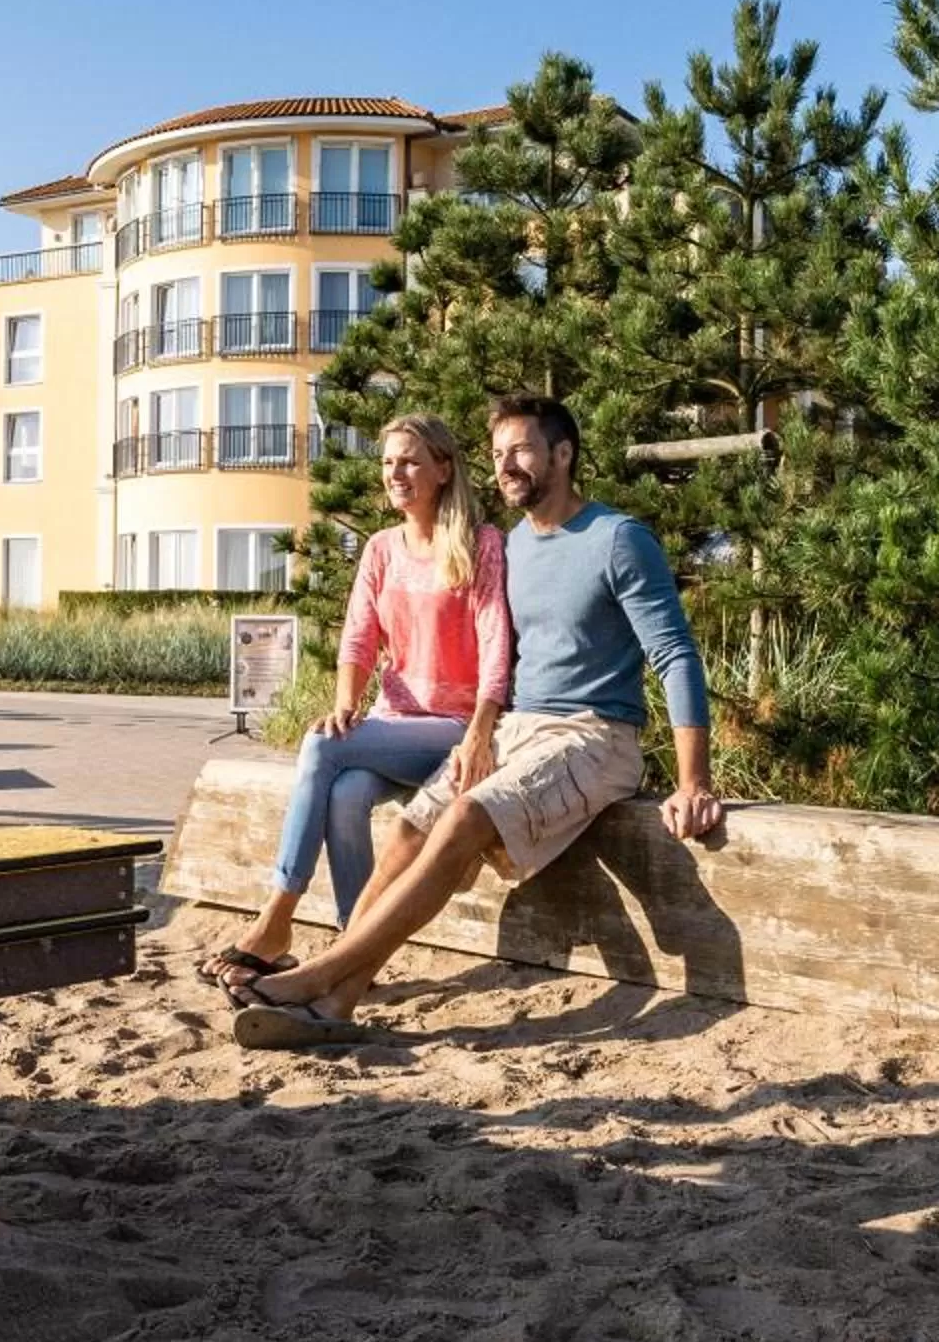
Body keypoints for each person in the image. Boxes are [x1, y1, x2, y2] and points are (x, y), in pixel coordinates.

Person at [230, 392, 725, 1048]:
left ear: (563, 454)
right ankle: (339, 1001)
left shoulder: (619, 539)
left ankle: (314, 974)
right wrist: (481, 731)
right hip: (518, 728)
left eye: (521, 450)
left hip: (596, 733)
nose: (505, 466)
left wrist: (693, 782)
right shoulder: (513, 544)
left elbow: (675, 654)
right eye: (496, 455)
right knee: (409, 829)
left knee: (464, 816)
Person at [196, 414, 509, 986]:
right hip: (395, 721)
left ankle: (276, 917)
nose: (396, 473)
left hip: (454, 727)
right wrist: (346, 703)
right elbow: (359, 638)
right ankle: (353, 950)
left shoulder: (480, 544)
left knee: (321, 747)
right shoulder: (381, 549)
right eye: (388, 462)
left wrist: (480, 732)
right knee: (345, 793)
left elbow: (496, 647)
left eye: (410, 461)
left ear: (443, 469)